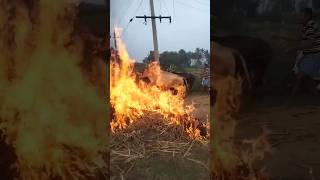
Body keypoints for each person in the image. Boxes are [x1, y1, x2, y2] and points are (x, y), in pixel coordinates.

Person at [286, 8, 320, 95]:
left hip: (314, 56)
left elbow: (311, 43)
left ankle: (289, 102)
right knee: (307, 79)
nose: (299, 17)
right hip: (310, 55)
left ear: (308, 16)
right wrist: (279, 37)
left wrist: (294, 48)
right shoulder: (306, 26)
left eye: (301, 15)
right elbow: (298, 38)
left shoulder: (310, 26)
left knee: (299, 77)